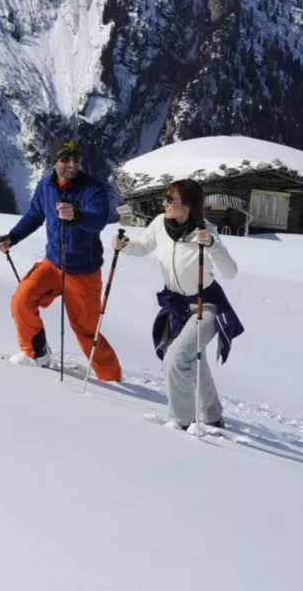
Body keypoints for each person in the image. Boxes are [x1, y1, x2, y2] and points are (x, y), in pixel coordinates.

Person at [113, 179, 244, 429]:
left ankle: (181, 421)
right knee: (193, 358)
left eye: (171, 200)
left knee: (176, 358)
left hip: (206, 305)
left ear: (188, 205)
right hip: (177, 305)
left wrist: (213, 246)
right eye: (165, 198)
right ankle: (212, 416)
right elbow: (143, 247)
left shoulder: (205, 232)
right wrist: (125, 246)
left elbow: (230, 272)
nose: (165, 204)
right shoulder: (160, 224)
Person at [0, 140, 122, 382]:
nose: (72, 164)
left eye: (76, 159)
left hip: (84, 271)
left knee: (86, 330)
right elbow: (35, 214)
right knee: (22, 299)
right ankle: (36, 354)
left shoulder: (92, 188)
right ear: (54, 161)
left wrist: (77, 215)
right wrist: (13, 237)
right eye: (65, 159)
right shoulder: (46, 186)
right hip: (53, 264)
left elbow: (99, 220)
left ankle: (111, 377)